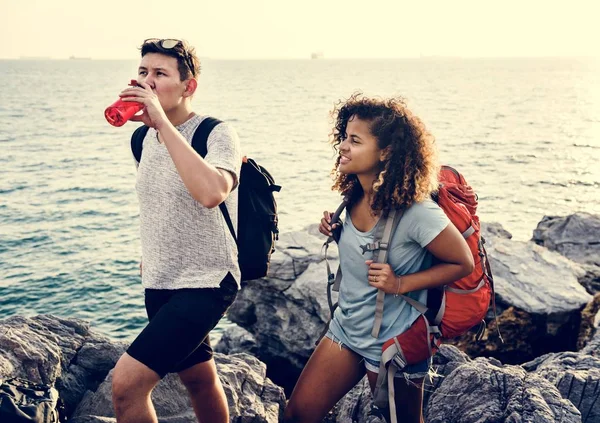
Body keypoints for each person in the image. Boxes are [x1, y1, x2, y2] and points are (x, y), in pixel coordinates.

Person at [284, 94, 474, 423]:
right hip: (346, 329)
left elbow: (462, 263)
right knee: (297, 416)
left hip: (393, 343)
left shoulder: (417, 212)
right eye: (344, 137)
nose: (343, 146)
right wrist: (337, 231)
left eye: (355, 140)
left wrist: (401, 283)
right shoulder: (354, 196)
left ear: (385, 151)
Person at [110, 39, 241, 423]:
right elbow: (162, 205)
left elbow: (211, 193)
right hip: (160, 280)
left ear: (189, 86)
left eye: (161, 74)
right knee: (199, 379)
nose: (148, 82)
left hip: (207, 282)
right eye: (143, 72)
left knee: (127, 386)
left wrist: (163, 123)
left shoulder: (217, 133)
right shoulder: (141, 139)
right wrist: (149, 257)